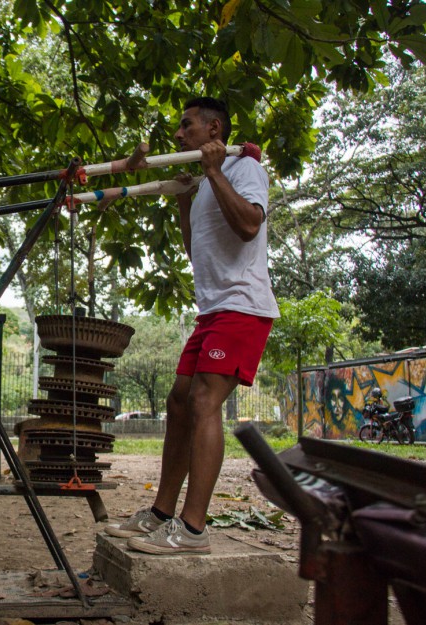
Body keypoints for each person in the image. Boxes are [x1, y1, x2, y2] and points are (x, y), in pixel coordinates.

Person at [105, 97, 279, 554]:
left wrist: (216, 172)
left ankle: (193, 530)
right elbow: (195, 246)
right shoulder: (205, 184)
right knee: (179, 401)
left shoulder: (244, 168)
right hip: (214, 310)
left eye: (187, 126)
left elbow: (249, 226)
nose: (178, 135)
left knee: (203, 400)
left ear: (214, 129)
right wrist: (186, 199)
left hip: (243, 306)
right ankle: (161, 514)